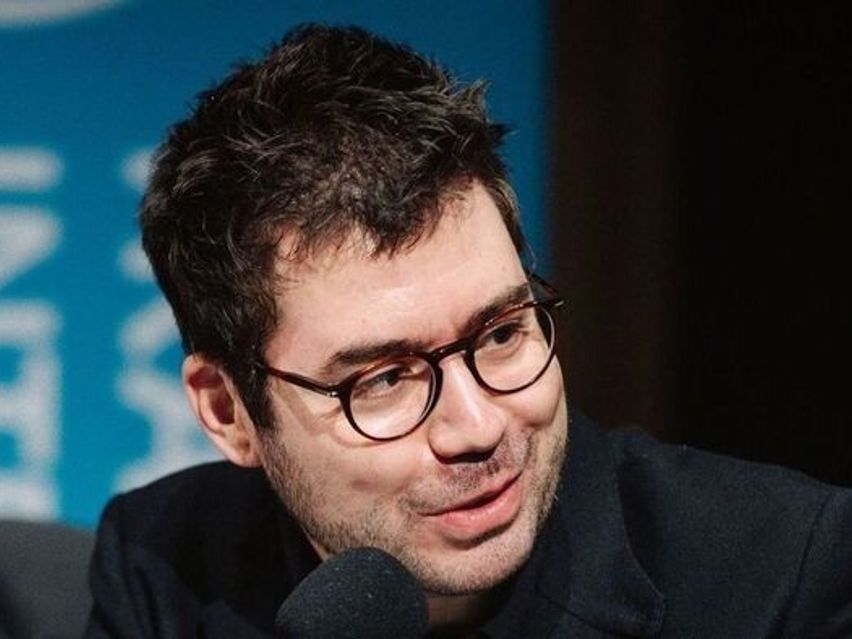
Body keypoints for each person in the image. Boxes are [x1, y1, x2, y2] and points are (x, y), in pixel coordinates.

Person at [85, 24, 852, 638]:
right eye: (385, 380)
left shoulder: (782, 574)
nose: (479, 427)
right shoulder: (162, 564)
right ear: (227, 410)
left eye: (501, 334)